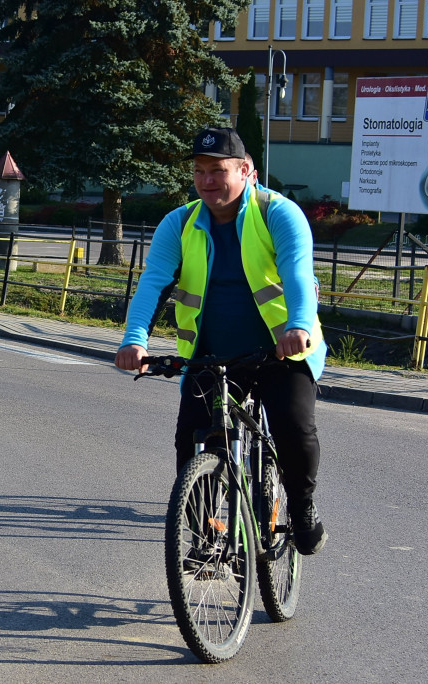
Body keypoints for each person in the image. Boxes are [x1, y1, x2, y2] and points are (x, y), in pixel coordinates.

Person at [114, 127, 328, 555]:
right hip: (210, 355)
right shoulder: (179, 222)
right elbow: (153, 283)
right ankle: (206, 535)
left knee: (293, 428)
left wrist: (299, 325)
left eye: (218, 170)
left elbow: (298, 273)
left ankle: (302, 507)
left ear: (246, 170)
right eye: (198, 171)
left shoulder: (277, 214)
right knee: (191, 442)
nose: (207, 180)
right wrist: (134, 340)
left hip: (279, 351)